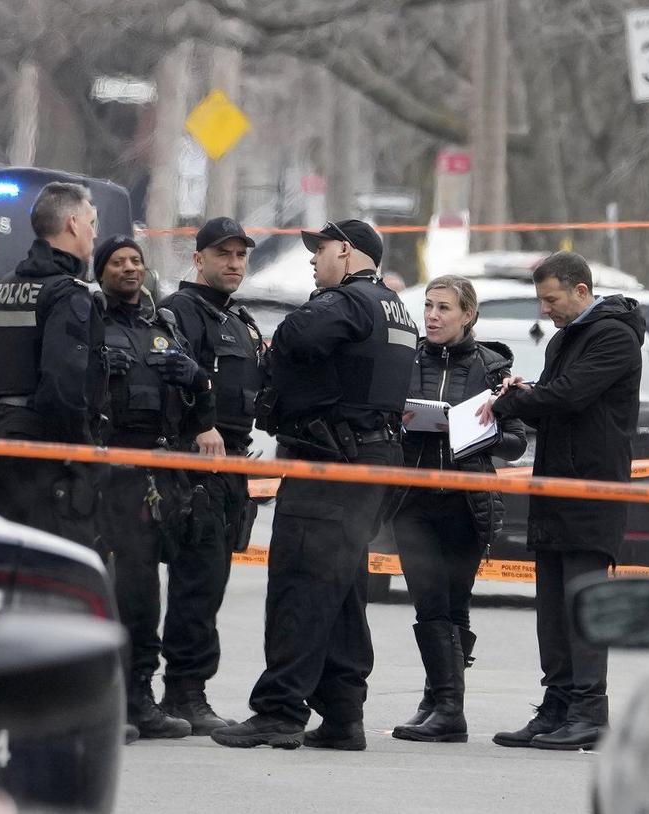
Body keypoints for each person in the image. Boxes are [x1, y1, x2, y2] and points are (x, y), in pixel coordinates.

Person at [211, 219, 418, 751]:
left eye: (320, 250)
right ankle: (344, 714)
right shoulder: (395, 307)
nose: (312, 261)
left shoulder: (348, 303)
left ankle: (279, 711)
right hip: (369, 461)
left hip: (330, 462)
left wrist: (275, 353)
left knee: (299, 585)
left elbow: (300, 336)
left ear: (346, 252)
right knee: (343, 588)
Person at [477, 251, 643, 751]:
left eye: (551, 299)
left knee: (583, 607)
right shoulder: (564, 339)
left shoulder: (612, 336)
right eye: (541, 300)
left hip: (590, 491)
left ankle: (590, 712)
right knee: (552, 608)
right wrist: (524, 393)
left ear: (581, 291)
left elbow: (570, 396)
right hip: (555, 488)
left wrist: (514, 401)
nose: (545, 309)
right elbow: (555, 401)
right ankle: (557, 707)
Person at [388, 275, 526, 743]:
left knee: (455, 603)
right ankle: (442, 704)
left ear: (468, 315)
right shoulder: (405, 360)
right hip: (414, 498)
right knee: (429, 602)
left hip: (468, 499)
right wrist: (399, 422)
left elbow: (514, 442)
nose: (432, 315)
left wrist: (479, 431)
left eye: (443, 308)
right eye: (427, 306)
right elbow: (380, 420)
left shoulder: (492, 366)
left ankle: (445, 705)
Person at [92, 235, 216, 740]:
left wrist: (193, 377)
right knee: (109, 587)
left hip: (156, 477)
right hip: (104, 474)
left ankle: (141, 696)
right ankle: (107, 697)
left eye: (135, 261)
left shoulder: (164, 324)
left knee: (146, 591)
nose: (129, 269)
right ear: (101, 271)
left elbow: (201, 408)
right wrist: (94, 370)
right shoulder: (87, 322)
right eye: (118, 262)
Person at [0, 181, 107, 549]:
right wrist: (84, 454)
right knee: (55, 572)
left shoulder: (2, 288)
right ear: (72, 224)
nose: (93, 233)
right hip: (46, 457)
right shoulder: (68, 294)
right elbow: (63, 387)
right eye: (91, 222)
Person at [156, 217, 263, 733]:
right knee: (196, 582)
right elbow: (169, 378)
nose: (234, 263)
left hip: (231, 467)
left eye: (241, 254)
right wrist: (202, 425)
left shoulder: (239, 320)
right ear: (198, 259)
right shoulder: (180, 312)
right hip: (193, 468)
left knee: (209, 582)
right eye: (224, 254)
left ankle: (187, 688)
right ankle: (183, 692)